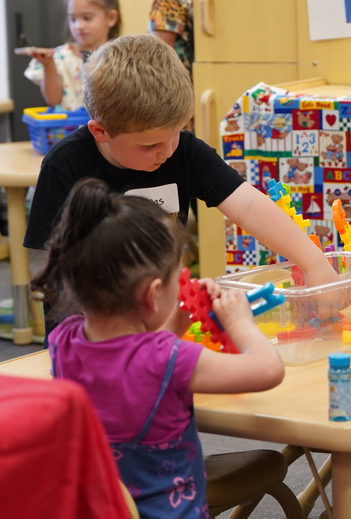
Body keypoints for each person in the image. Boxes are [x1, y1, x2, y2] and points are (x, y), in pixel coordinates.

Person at [23, 34, 339, 336]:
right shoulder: (66, 164)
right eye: (149, 145)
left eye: (176, 132)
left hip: (161, 321)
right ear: (100, 131)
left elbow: (248, 206)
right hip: (89, 332)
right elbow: (47, 262)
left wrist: (314, 263)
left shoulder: (184, 150)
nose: (167, 150)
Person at [34, 177, 284, 519]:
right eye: (175, 278)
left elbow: (128, 364)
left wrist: (177, 323)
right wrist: (241, 323)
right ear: (153, 295)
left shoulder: (64, 341)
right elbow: (268, 369)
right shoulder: (172, 359)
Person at [19, 0, 121, 111]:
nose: (78, 26)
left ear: (111, 18)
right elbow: (53, 100)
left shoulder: (120, 58)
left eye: (87, 18)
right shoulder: (60, 57)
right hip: (68, 130)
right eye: (73, 19)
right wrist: (49, 65)